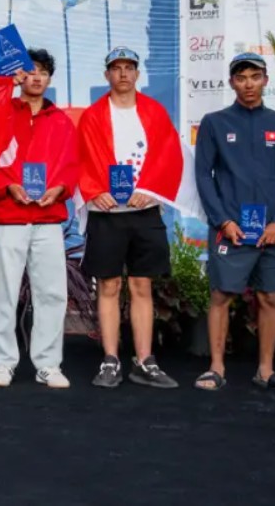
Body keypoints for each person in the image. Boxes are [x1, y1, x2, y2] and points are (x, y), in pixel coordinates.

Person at [193, 53, 275, 392]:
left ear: (266, 80)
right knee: (221, 295)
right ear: (232, 83)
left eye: (255, 77)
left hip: (271, 230)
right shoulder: (214, 123)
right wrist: (223, 221)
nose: (248, 84)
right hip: (230, 229)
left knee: (270, 297)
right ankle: (216, 368)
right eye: (241, 78)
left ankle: (266, 370)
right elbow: (203, 175)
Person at [77, 47, 181, 389]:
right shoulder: (93, 115)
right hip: (107, 214)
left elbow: (169, 155)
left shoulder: (154, 112)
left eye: (129, 68)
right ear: (107, 74)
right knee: (109, 285)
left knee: (141, 285)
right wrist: (95, 191)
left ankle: (144, 360)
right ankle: (110, 359)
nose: (123, 73)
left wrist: (151, 190)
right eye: (116, 68)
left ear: (137, 74)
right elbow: (81, 158)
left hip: (144, 213)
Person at [0, 48, 79, 389]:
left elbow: (72, 165)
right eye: (30, 71)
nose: (36, 77)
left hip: (48, 218)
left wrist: (60, 188)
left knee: (52, 294)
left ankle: (48, 364)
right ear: (19, 76)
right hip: (8, 217)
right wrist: (7, 185)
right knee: (3, 293)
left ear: (50, 78)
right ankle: (2, 362)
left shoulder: (62, 121)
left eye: (43, 72)